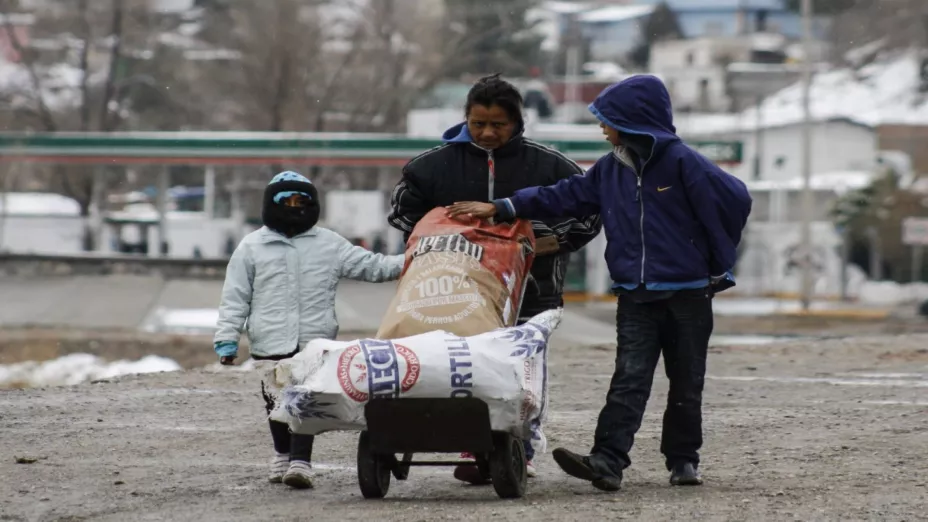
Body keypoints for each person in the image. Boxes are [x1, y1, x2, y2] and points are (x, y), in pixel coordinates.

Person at [447, 75, 752, 492]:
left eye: (607, 120)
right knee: (629, 378)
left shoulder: (684, 163)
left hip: (689, 295)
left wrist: (713, 256)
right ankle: (607, 461)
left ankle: (683, 461)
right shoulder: (610, 169)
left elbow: (735, 198)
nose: (602, 127)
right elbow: (564, 195)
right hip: (635, 296)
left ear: (632, 121)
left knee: (686, 382)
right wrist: (503, 207)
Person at [387, 73, 602, 482]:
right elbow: (402, 214)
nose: (487, 133)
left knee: (523, 366)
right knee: (466, 365)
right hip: (454, 293)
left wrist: (546, 243)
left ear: (518, 123)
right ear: (465, 118)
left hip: (534, 290)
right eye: (477, 123)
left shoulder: (552, 165)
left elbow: (590, 214)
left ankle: (521, 443)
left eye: (498, 125)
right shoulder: (431, 167)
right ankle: (473, 443)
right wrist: (444, 231)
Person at [213, 171, 404, 490]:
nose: (293, 207)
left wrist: (413, 259)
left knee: (304, 399)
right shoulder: (251, 247)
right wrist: (226, 340)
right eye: (285, 201)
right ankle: (282, 454)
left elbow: (373, 266)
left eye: (300, 201)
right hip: (268, 342)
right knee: (277, 402)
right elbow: (235, 296)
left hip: (315, 342)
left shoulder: (329, 244)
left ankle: (301, 461)